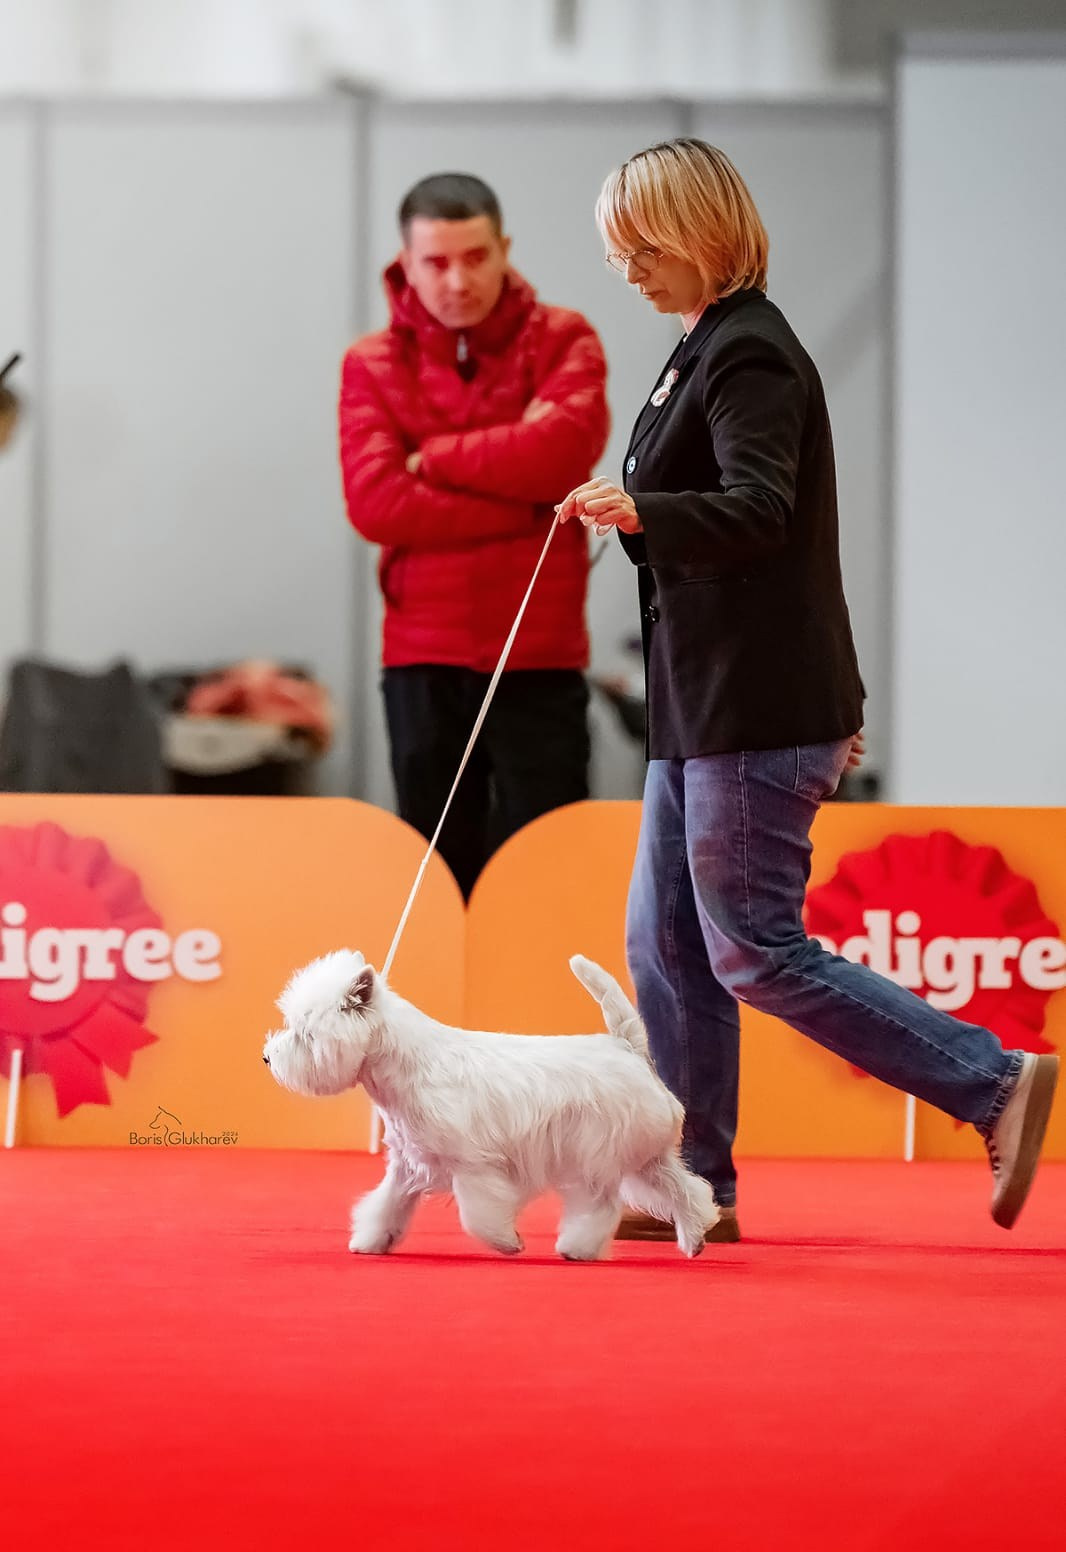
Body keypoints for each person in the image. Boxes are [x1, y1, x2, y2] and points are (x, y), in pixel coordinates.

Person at [558, 138, 1058, 1242]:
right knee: (668, 946)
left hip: (755, 705)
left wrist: (642, 514)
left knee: (749, 949)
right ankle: (696, 1181)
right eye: (616, 251)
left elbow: (761, 509)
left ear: (704, 235)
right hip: (702, 704)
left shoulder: (750, 355)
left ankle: (993, 1083)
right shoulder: (696, 348)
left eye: (645, 247)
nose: (628, 269)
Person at [340, 173, 609, 899]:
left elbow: (562, 453)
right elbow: (376, 504)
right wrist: (527, 503)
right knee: (433, 879)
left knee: (546, 877)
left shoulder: (564, 338)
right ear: (406, 260)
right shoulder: (370, 363)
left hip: (540, 657)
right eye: (436, 262)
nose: (458, 280)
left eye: (476, 256)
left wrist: (438, 460)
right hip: (422, 659)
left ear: (504, 249)